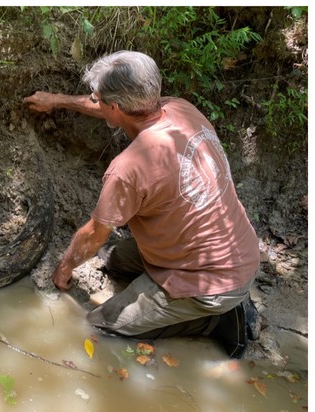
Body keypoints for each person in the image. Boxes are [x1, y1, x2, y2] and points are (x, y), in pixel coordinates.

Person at [25, 51, 261, 357]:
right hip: (232, 250)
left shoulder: (129, 169)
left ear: (114, 106)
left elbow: (95, 234)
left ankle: (216, 320)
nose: (94, 101)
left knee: (99, 325)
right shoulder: (180, 108)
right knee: (114, 261)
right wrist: (58, 100)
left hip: (209, 280)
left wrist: (64, 267)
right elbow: (115, 108)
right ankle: (218, 299)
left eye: (97, 98)